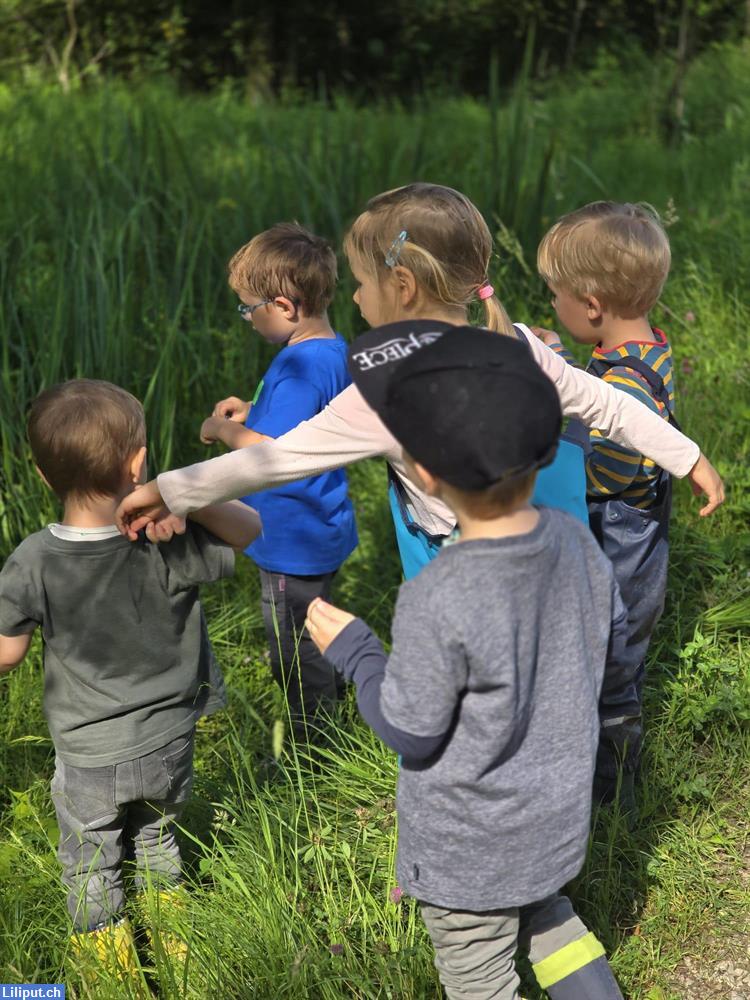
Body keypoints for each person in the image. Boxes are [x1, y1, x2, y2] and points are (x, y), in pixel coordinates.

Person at [115, 184, 724, 565]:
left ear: (401, 288)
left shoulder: (385, 391)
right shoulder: (512, 340)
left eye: (359, 282)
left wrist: (166, 489)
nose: (353, 299)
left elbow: (276, 459)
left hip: (449, 555)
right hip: (534, 539)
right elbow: (608, 406)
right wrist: (688, 457)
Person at [306, 323, 628, 1000]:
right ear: (545, 450)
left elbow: (412, 729)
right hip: (555, 820)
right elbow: (607, 640)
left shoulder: (438, 593)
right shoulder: (575, 541)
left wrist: (358, 653)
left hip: (468, 852)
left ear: (422, 471)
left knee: (480, 977)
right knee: (548, 917)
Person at [0, 380, 260, 982]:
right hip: (170, 736)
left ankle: (111, 971)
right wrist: (182, 493)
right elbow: (248, 529)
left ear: (42, 475)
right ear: (140, 463)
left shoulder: (33, 559)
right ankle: (177, 947)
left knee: (92, 859)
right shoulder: (166, 534)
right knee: (156, 838)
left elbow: (7, 655)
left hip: (89, 752)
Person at [534, 201, 680, 809]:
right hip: (636, 540)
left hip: (623, 549)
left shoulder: (625, 384)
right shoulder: (643, 350)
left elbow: (608, 474)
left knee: (612, 669)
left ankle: (611, 794)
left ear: (592, 306)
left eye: (556, 296)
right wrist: (563, 364)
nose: (552, 306)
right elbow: (603, 397)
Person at [199, 223, 358, 739]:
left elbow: (269, 453)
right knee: (317, 625)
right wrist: (253, 408)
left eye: (248, 307)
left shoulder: (296, 363)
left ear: (285, 306)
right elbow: (308, 419)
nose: (245, 318)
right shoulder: (332, 350)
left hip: (290, 535)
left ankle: (313, 745)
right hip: (324, 523)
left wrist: (225, 428)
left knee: (292, 648)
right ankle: (337, 700)